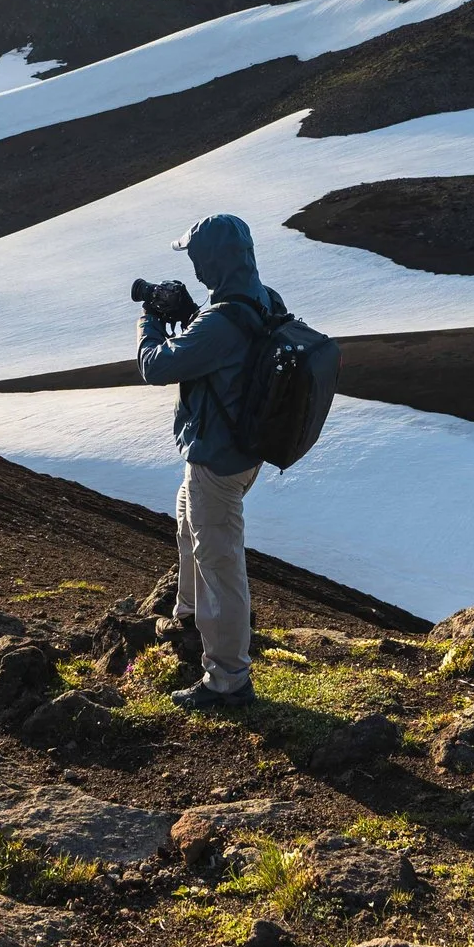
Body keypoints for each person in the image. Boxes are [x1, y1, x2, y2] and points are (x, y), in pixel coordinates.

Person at [137, 213, 282, 710]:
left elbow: (157, 366)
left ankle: (227, 681)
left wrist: (151, 320)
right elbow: (229, 346)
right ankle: (188, 617)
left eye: (197, 256)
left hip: (218, 459)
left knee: (219, 563)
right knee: (187, 522)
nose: (194, 266)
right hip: (243, 452)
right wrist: (195, 311)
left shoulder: (221, 320)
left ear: (212, 259)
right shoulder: (261, 299)